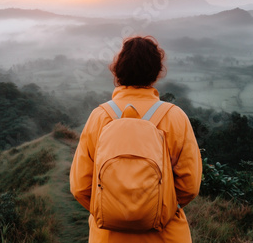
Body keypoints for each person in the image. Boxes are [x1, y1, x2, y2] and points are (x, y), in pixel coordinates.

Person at [70, 35, 202, 243]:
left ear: (117, 70)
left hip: (107, 237)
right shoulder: (175, 117)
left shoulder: (99, 116)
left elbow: (79, 187)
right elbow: (190, 186)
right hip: (166, 236)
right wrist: (160, 209)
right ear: (156, 72)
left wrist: (112, 211)